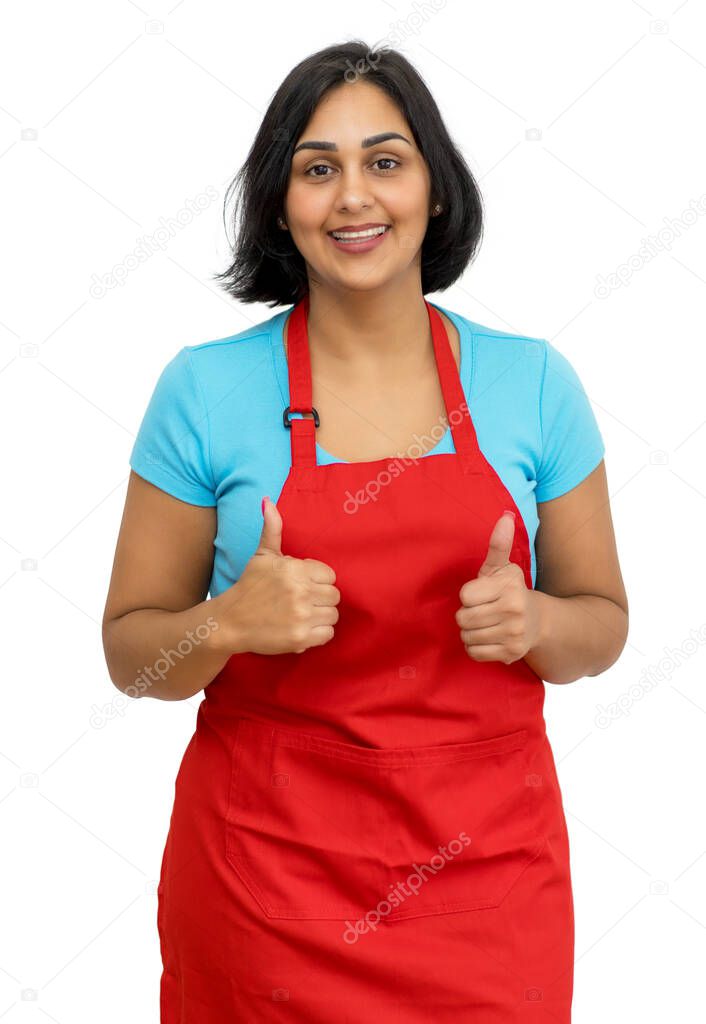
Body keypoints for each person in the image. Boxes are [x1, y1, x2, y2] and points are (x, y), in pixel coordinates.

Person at [102, 39, 628, 1023]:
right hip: (263, 893)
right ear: (279, 203)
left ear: (435, 189)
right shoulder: (205, 391)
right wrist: (225, 623)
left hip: (488, 889)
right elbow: (133, 657)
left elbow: (602, 621)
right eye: (317, 168)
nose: (353, 196)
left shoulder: (535, 383)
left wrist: (535, 623)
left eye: (385, 161)